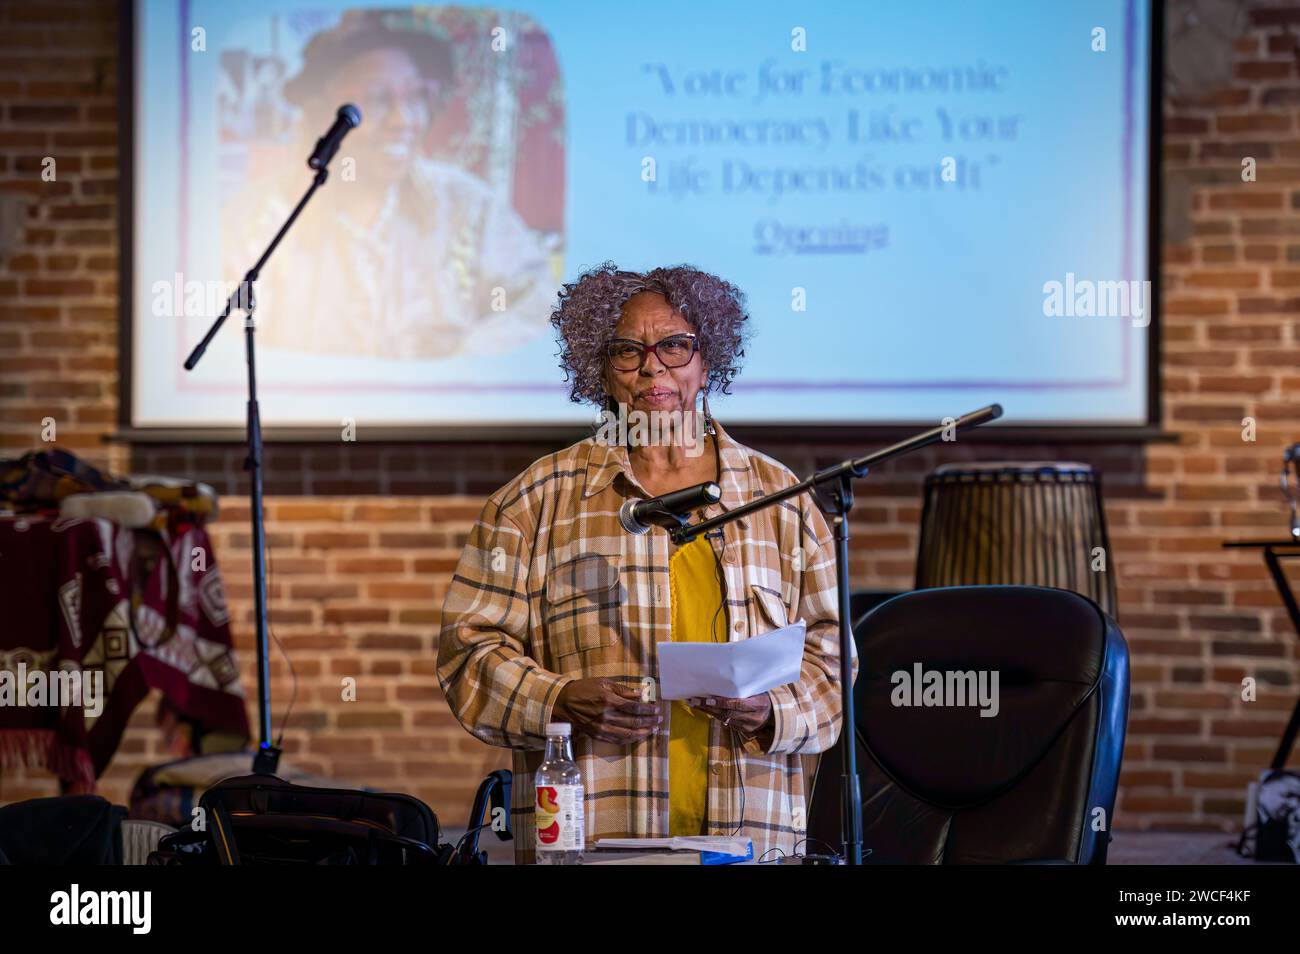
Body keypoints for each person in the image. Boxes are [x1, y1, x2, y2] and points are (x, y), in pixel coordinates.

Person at [437, 263, 855, 863]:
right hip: (592, 838)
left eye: (675, 346)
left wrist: (771, 710)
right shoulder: (533, 502)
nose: (653, 365)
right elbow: (467, 653)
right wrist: (557, 699)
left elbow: (835, 662)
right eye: (627, 350)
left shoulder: (778, 498)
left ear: (708, 361)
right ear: (601, 367)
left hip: (753, 842)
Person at [226, 10, 556, 360]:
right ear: (324, 114)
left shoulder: (467, 208)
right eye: (377, 99)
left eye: (416, 97)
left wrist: (459, 362)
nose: (404, 121)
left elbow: (538, 303)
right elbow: (231, 344)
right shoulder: (260, 220)